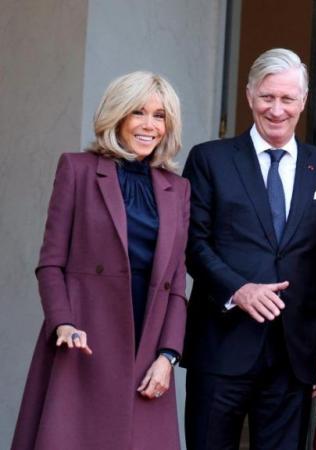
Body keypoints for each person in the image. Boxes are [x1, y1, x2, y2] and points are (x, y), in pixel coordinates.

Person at [11, 71, 190, 450]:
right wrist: (63, 323)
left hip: (147, 351)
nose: (149, 125)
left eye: (160, 116)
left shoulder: (178, 189)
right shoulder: (77, 170)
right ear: (117, 116)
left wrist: (168, 355)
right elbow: (51, 263)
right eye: (138, 112)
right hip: (83, 341)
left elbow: (177, 281)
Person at [181, 48, 316, 450]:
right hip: (221, 347)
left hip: (293, 357)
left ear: (303, 102)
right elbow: (191, 242)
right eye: (267, 97)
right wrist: (238, 289)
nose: (276, 109)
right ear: (249, 95)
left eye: (287, 99)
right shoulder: (209, 160)